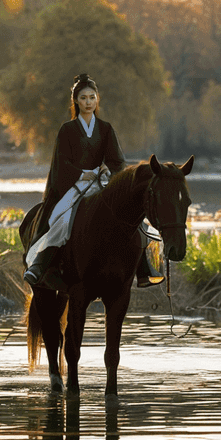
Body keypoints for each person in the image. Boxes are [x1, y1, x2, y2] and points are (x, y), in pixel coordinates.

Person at [23, 73, 164, 289]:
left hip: (102, 182)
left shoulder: (105, 129)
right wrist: (81, 173)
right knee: (62, 218)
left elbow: (118, 160)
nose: (88, 102)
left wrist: (109, 168)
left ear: (97, 99)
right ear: (76, 101)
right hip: (75, 184)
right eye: (83, 98)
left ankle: (144, 269)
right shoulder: (67, 130)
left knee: (133, 220)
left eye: (92, 97)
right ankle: (40, 264)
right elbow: (61, 164)